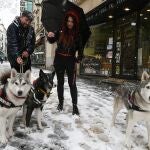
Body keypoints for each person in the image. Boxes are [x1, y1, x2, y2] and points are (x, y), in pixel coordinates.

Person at [48, 10, 85, 115]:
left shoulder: (77, 34)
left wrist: (79, 58)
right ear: (65, 21)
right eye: (68, 21)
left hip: (70, 60)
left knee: (72, 84)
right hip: (59, 60)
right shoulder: (59, 31)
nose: (70, 23)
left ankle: (75, 106)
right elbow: (51, 40)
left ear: (75, 23)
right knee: (60, 82)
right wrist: (49, 36)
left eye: (72, 21)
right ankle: (60, 103)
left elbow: (81, 49)